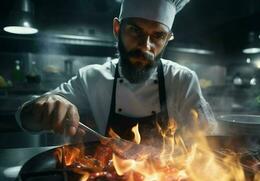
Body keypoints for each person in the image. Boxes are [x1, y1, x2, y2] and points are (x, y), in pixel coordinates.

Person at [16, 0, 216, 146]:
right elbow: (25, 119)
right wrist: (41, 108)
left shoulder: (182, 79)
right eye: (135, 31)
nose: (145, 46)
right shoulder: (91, 78)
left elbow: (207, 139)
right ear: (117, 28)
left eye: (158, 35)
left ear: (168, 38)